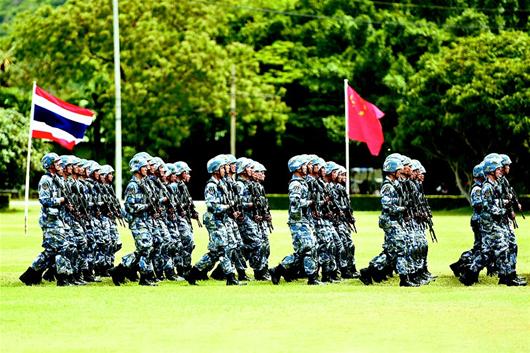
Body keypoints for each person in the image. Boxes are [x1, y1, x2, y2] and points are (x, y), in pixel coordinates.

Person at [20, 153, 75, 286]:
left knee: (51, 251)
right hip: (50, 220)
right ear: (49, 165)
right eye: (56, 163)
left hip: (58, 218)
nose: (59, 165)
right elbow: (44, 200)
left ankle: (30, 275)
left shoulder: (56, 179)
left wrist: (67, 203)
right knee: (63, 247)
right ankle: (63, 278)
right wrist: (61, 200)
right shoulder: (46, 180)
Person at [185, 155, 242, 286]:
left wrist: (232, 210)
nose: (225, 170)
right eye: (222, 168)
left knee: (216, 252)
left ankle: (192, 273)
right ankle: (230, 277)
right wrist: (228, 206)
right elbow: (212, 206)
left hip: (222, 219)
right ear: (216, 170)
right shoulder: (211, 186)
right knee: (222, 249)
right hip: (214, 220)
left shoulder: (222, 183)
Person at [269, 155, 321, 285]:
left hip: (304, 220)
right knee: (308, 248)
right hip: (298, 221)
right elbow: (295, 203)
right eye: (303, 165)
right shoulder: (296, 184)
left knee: (303, 250)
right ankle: (312, 278)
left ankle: (278, 270)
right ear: (297, 168)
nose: (306, 167)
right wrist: (309, 202)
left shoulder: (303, 181)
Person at [110, 156, 156, 286]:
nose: (147, 169)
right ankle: (144, 278)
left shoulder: (144, 183)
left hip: (145, 220)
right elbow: (129, 207)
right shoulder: (132, 186)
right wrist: (147, 206)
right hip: (137, 221)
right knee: (146, 248)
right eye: (144, 167)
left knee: (144, 249)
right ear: (137, 169)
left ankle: (119, 270)